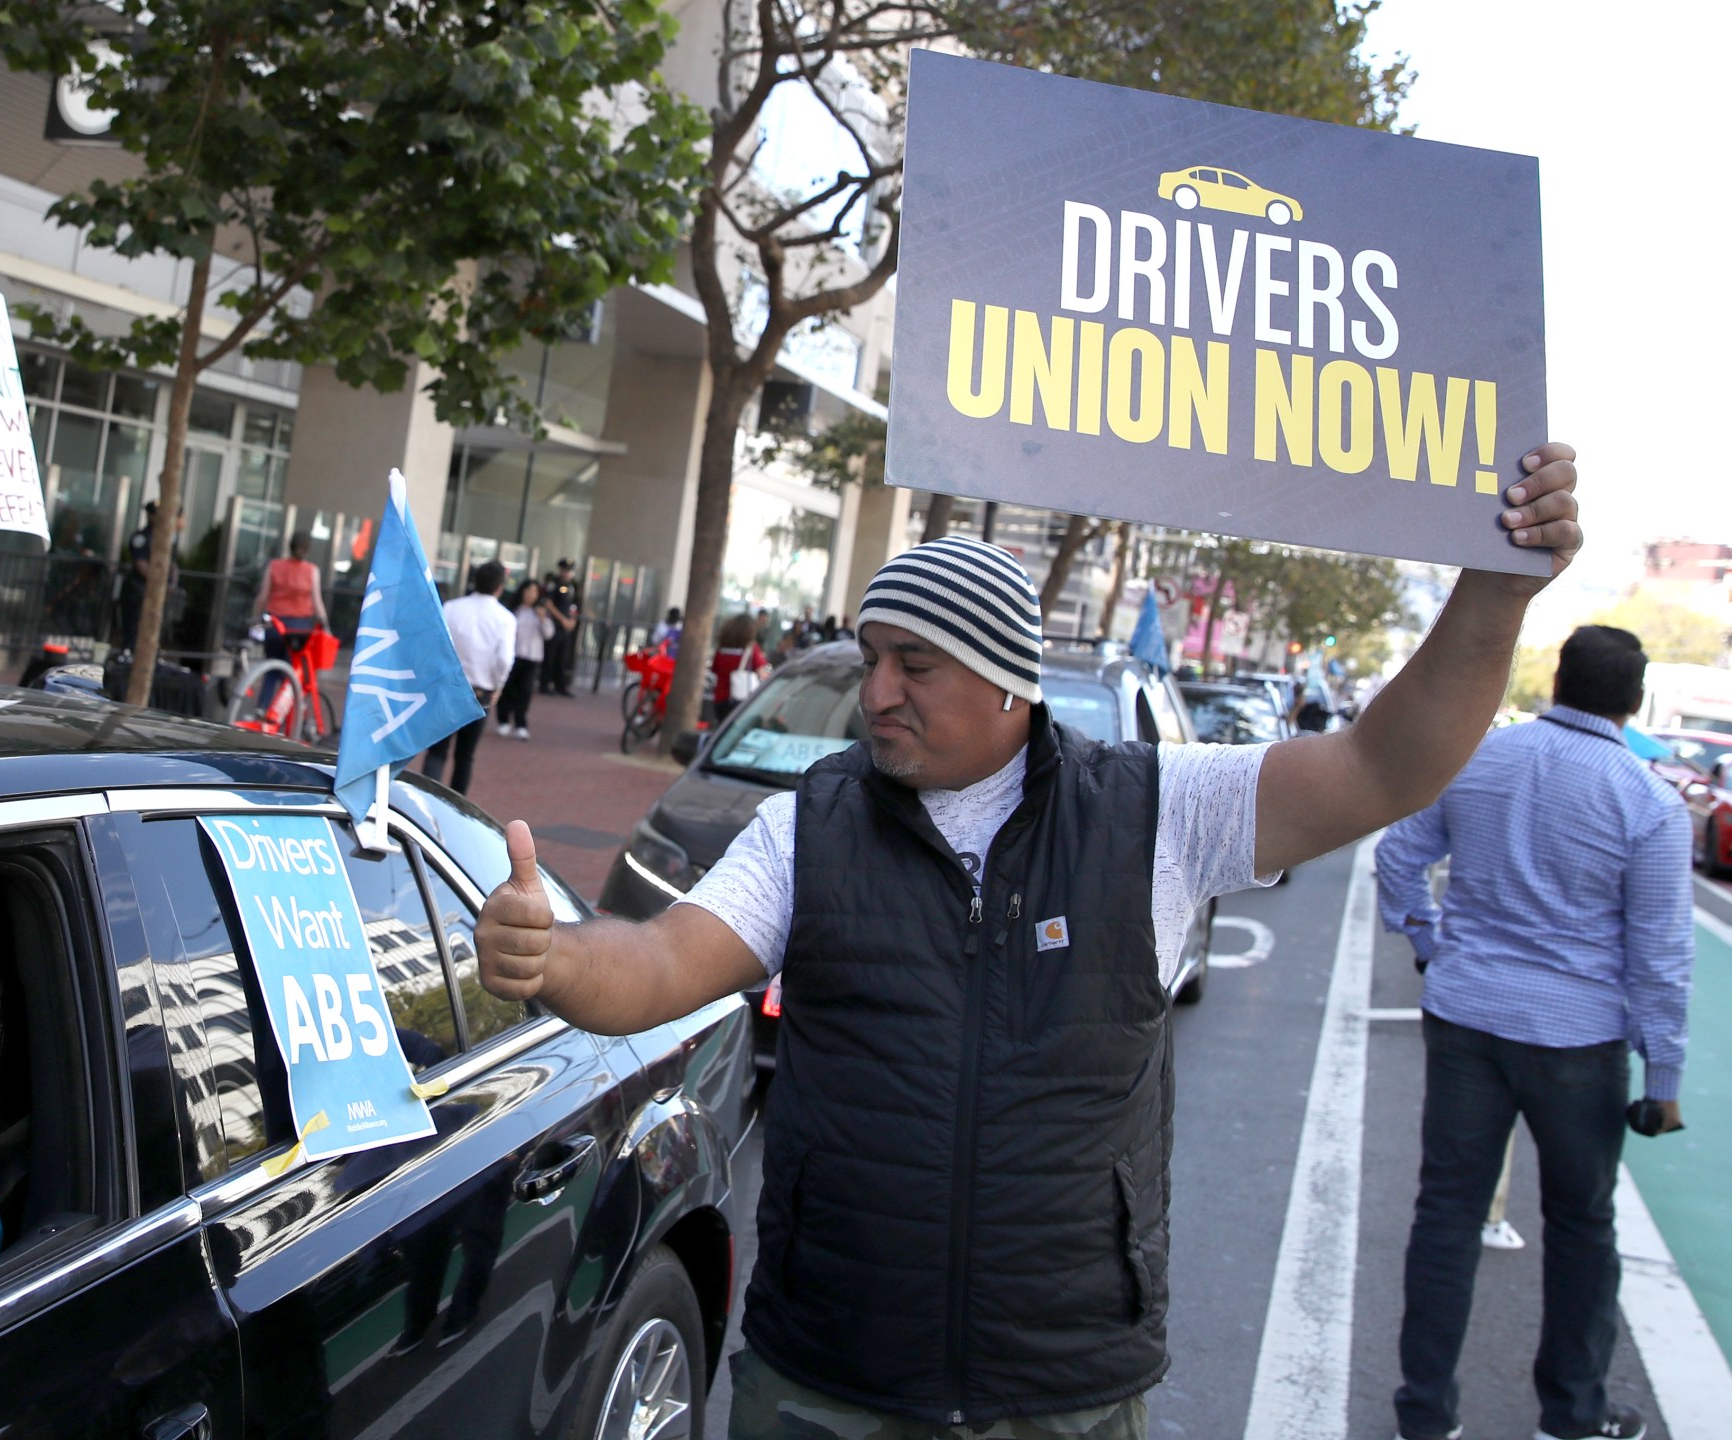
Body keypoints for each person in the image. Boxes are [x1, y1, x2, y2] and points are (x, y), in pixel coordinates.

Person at [472, 444, 1581, 1440]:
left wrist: (1491, 596)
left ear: (1008, 679)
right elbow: (664, 963)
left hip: (1066, 1393)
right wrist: (555, 957)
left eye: (916, 664)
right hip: (828, 1382)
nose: (876, 693)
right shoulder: (808, 824)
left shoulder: (1155, 812)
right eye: (870, 658)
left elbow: (1384, 768)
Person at [1377, 623, 1689, 1440]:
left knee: (1445, 1215)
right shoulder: (1649, 803)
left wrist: (1427, 942)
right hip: (1579, 1042)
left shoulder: (1481, 757)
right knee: (1582, 1225)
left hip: (1466, 1017)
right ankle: (1573, 1414)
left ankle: (1424, 1414)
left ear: (1557, 682)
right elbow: (1660, 956)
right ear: (1634, 699)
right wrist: (1663, 1081)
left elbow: (1399, 855)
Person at [422, 560, 515, 796]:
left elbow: (435, 644)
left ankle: (424, 800)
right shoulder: (505, 618)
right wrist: (498, 685)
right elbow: (504, 659)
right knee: (465, 756)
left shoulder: (452, 607)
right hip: (479, 690)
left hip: (447, 686)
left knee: (437, 750)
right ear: (500, 587)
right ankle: (456, 807)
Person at [252, 530, 329, 682]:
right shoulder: (312, 571)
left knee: (271, 670)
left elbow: (262, 597)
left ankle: (262, 705)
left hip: (274, 624)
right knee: (291, 675)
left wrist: (255, 619)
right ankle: (289, 704)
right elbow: (317, 602)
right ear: (308, 549)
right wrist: (326, 627)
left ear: (290, 546)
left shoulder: (274, 566)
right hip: (299, 629)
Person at [117, 501, 185, 653]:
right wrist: (159, 583)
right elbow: (141, 565)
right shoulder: (141, 537)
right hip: (139, 591)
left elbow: (173, 565)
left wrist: (172, 583)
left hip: (158, 593)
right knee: (134, 628)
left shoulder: (167, 539)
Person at [498, 578, 553, 740]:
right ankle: (503, 720)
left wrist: (542, 618)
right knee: (508, 689)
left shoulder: (540, 613)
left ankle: (520, 724)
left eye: (534, 592)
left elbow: (548, 634)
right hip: (513, 656)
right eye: (528, 591)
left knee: (525, 691)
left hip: (532, 658)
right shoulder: (514, 610)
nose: (531, 595)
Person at [709, 613, 768, 723]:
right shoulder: (751, 649)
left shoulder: (721, 649)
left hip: (720, 698)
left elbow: (715, 670)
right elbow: (762, 673)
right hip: (741, 700)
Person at [539, 559, 581, 696]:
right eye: (565, 570)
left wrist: (572, 620)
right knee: (550, 655)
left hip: (566, 627)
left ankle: (560, 685)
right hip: (555, 625)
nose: (567, 573)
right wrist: (563, 619)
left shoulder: (572, 586)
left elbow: (574, 605)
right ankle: (544, 684)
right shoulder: (554, 583)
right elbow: (548, 603)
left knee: (563, 657)